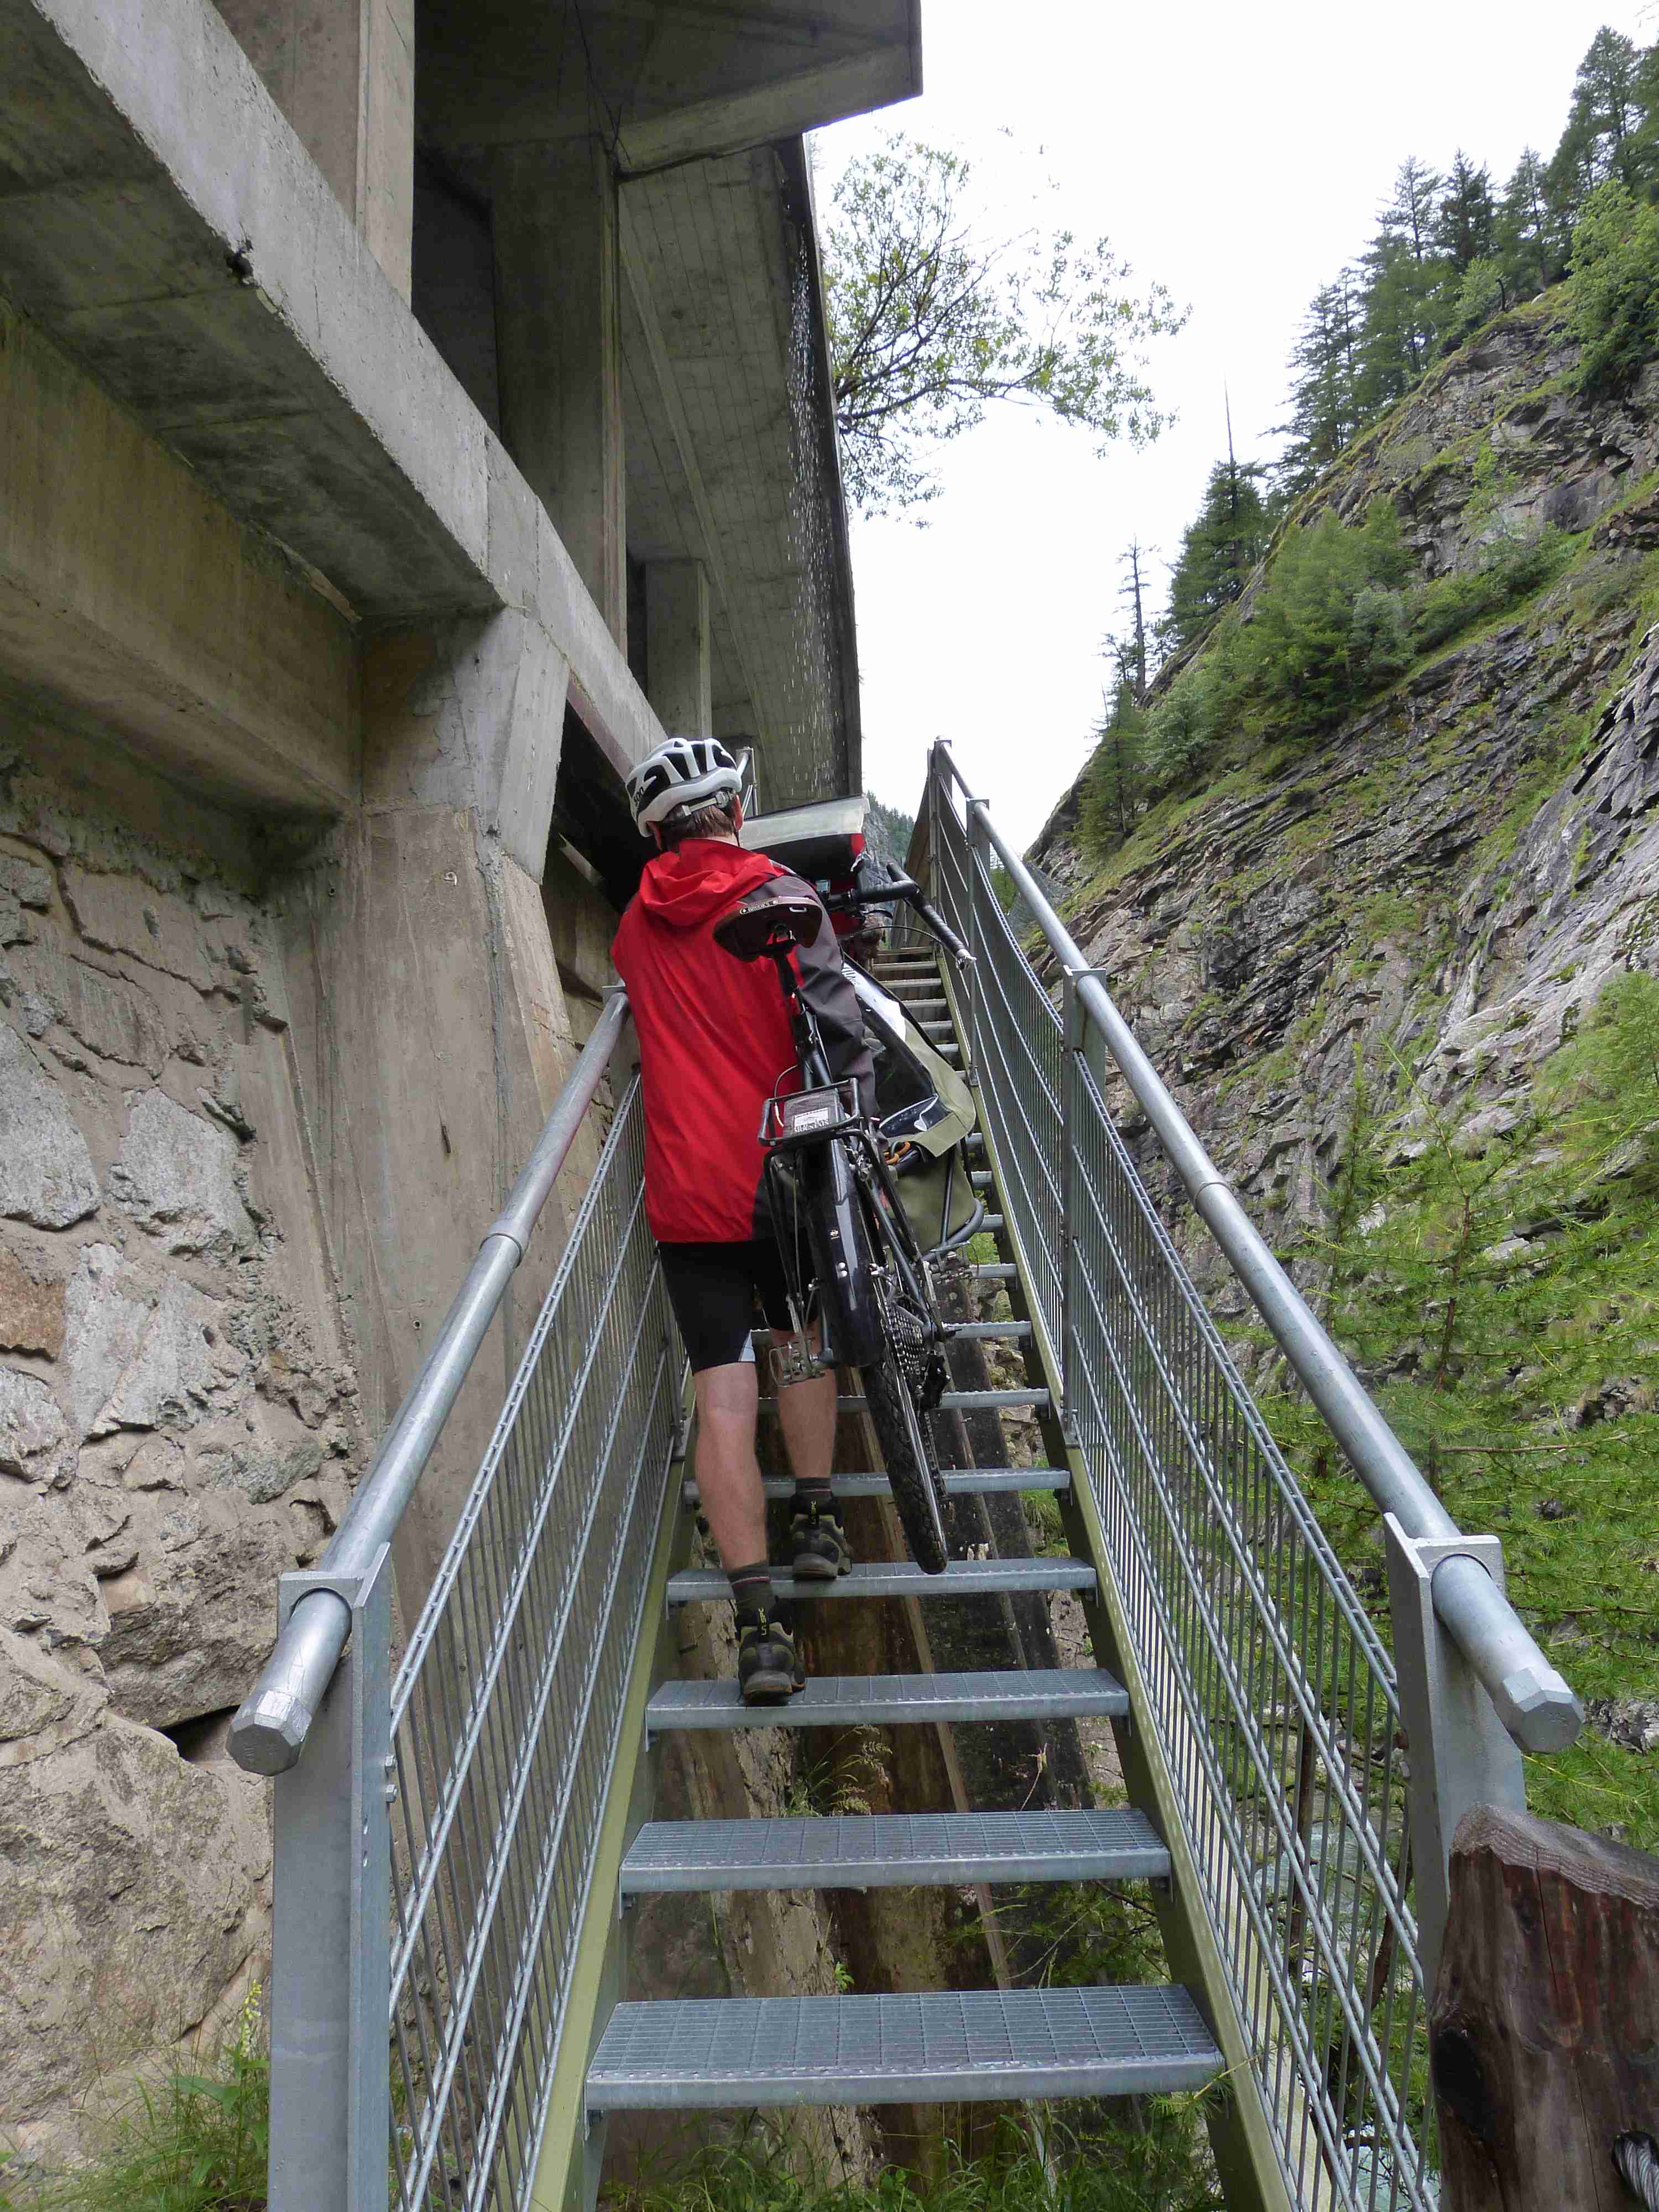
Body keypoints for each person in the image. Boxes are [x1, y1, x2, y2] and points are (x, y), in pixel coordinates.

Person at [612, 737, 875, 1704]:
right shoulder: (779, 894)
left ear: (655, 831)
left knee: (723, 1397)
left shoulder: (634, 931)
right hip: (782, 1172)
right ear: (734, 810)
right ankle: (815, 1515)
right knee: (801, 1347)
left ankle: (759, 1630)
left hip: (687, 1193)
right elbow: (838, 1021)